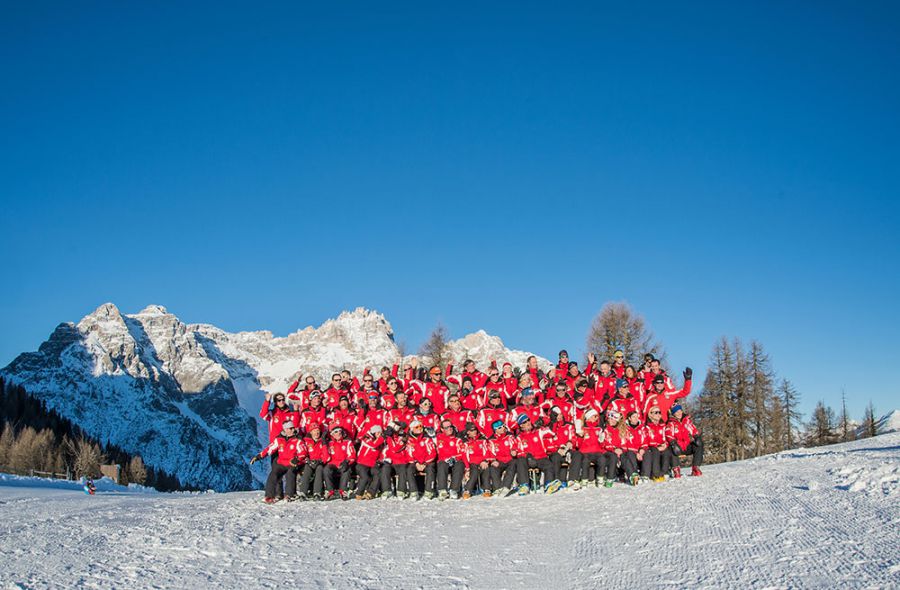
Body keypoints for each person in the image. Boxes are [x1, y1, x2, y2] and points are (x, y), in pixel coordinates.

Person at [250, 420, 305, 503]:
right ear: (285, 430)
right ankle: (269, 496)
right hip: (281, 463)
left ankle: (290, 495)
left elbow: (303, 452)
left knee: (290, 473)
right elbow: (269, 449)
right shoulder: (279, 440)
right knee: (273, 473)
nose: (293, 430)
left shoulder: (298, 440)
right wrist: (259, 456)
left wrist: (297, 459)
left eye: (293, 428)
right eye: (290, 428)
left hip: (292, 463)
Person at [514, 415, 561, 495]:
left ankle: (548, 484)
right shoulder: (519, 437)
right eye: (525, 422)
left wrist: (543, 422)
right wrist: (527, 456)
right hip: (528, 460)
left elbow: (551, 433)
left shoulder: (539, 431)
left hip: (541, 457)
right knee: (520, 461)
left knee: (549, 465)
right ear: (521, 425)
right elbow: (519, 451)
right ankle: (524, 485)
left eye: (528, 420)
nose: (528, 422)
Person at [665, 404, 703, 477]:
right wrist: (673, 443)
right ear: (673, 413)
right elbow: (668, 434)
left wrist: (696, 436)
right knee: (671, 448)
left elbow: (693, 429)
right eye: (677, 412)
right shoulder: (671, 423)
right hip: (677, 447)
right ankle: (676, 469)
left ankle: (696, 467)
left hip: (686, 446)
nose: (679, 413)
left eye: (680, 411)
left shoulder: (686, 421)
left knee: (698, 445)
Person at [406, 419, 437, 499]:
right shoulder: (409, 440)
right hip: (415, 463)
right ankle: (413, 492)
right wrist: (416, 463)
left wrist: (425, 463)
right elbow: (408, 454)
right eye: (417, 427)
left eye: (421, 426)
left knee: (431, 469)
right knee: (409, 469)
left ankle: (429, 491)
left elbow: (432, 452)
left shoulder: (427, 439)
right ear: (412, 429)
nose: (420, 428)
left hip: (426, 462)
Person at [574, 408, 605, 488]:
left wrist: (601, 441)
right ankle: (584, 479)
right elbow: (578, 445)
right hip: (585, 452)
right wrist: (580, 436)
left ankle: (600, 478)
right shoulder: (583, 428)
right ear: (589, 417)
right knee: (585, 461)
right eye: (594, 416)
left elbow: (602, 446)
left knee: (602, 459)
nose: (596, 418)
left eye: (596, 416)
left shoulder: (599, 429)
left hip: (597, 452)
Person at [379, 421, 411, 498]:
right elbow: (385, 449)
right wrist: (383, 459)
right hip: (391, 462)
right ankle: (387, 490)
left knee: (403, 470)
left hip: (401, 461)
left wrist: (391, 437)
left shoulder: (403, 437)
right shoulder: (389, 437)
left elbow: (395, 449)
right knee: (385, 468)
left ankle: (401, 491)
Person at [487, 420, 519, 496]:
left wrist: (514, 450)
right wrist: (493, 460)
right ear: (495, 430)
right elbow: (490, 452)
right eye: (500, 428)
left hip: (510, 459)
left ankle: (506, 486)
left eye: (504, 426)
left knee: (513, 464)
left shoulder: (510, 436)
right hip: (499, 461)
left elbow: (515, 444)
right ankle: (497, 488)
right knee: (493, 467)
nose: (503, 428)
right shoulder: (491, 440)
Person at [324, 425, 356, 500]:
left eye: (340, 431)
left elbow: (352, 456)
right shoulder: (330, 443)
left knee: (346, 470)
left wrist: (347, 461)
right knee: (326, 469)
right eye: (336, 432)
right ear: (332, 434)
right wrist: (324, 445)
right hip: (333, 464)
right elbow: (326, 458)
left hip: (343, 463)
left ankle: (343, 491)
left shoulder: (347, 442)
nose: (338, 433)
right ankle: (330, 491)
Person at [435, 419, 465, 500]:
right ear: (442, 429)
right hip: (443, 461)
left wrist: (455, 458)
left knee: (460, 464)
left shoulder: (457, 439)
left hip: (454, 460)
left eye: (450, 426)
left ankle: (454, 490)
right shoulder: (437, 438)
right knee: (442, 464)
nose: (449, 429)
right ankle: (442, 490)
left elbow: (462, 452)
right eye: (446, 427)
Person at [299, 423, 329, 500]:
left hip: (319, 462)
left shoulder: (323, 441)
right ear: (310, 432)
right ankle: (303, 492)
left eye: (318, 430)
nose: (317, 433)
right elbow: (302, 452)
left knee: (319, 470)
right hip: (309, 462)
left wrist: (320, 460)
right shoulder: (306, 441)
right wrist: (307, 460)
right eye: (314, 431)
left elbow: (326, 456)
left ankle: (317, 493)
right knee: (307, 470)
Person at [460, 423, 490, 499]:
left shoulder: (482, 439)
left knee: (485, 468)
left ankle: (487, 489)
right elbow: (464, 455)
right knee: (474, 471)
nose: (475, 432)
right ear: (468, 432)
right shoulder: (465, 441)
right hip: (471, 463)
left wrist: (485, 460)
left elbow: (487, 451)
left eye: (475, 430)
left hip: (482, 461)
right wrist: (467, 468)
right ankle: (467, 490)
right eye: (472, 430)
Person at [641, 403, 669, 482]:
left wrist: (665, 445)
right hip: (651, 446)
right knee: (655, 451)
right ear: (650, 415)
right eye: (656, 412)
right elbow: (646, 439)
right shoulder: (647, 426)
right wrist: (657, 446)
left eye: (659, 412)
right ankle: (655, 474)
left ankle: (664, 472)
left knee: (666, 451)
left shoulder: (663, 425)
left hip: (661, 445)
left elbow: (666, 437)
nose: (658, 414)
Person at [355, 424, 384, 499]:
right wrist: (382, 438)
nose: (379, 435)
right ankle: (359, 493)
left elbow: (381, 453)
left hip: (372, 463)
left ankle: (371, 492)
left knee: (378, 474)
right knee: (365, 477)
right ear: (373, 433)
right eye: (377, 433)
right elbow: (373, 445)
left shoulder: (380, 441)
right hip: (362, 463)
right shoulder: (366, 438)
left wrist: (380, 460)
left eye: (380, 433)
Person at [601, 409, 626, 487]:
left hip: (619, 450)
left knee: (625, 455)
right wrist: (614, 449)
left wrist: (621, 449)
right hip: (607, 451)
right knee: (613, 456)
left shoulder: (621, 430)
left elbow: (624, 443)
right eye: (609, 419)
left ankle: (626, 474)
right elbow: (604, 443)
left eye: (612, 419)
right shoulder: (605, 430)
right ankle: (610, 477)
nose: (610, 420)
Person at [622, 411, 646, 485]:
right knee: (629, 454)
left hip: (640, 450)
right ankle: (634, 475)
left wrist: (641, 451)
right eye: (633, 417)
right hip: (629, 450)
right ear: (629, 418)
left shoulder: (642, 428)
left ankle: (645, 475)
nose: (636, 418)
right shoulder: (625, 428)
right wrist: (636, 452)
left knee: (648, 452)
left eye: (637, 416)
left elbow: (645, 441)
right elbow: (625, 443)